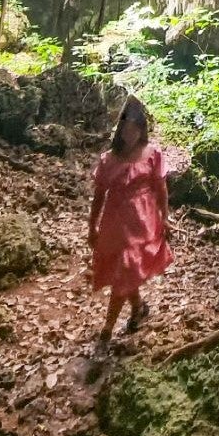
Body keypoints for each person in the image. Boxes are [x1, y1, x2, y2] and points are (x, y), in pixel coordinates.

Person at [87, 96, 173, 353]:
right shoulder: (109, 159)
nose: (130, 133)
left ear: (142, 129)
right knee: (124, 271)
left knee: (125, 269)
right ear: (120, 129)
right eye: (126, 128)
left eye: (135, 128)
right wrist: (92, 226)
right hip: (115, 223)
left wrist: (165, 217)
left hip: (142, 222)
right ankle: (137, 308)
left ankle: (107, 330)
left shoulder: (152, 154)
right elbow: (99, 195)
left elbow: (161, 188)